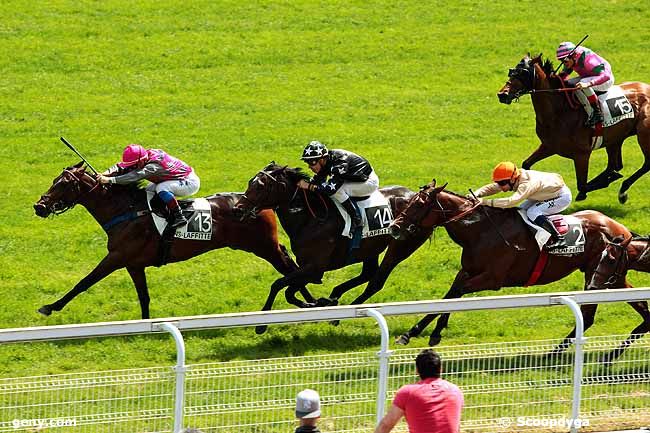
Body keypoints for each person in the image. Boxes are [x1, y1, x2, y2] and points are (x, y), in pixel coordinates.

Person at [98, 144, 200, 228]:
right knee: (148, 191)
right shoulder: (144, 156)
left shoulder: (153, 166)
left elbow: (133, 176)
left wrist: (109, 180)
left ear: (142, 160)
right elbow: (120, 165)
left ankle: (179, 216)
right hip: (173, 178)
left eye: (135, 165)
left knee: (161, 188)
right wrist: (104, 173)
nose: (133, 168)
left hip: (188, 181)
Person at [473, 161, 572, 248]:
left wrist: (484, 202)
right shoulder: (514, 178)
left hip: (561, 197)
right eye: (498, 182)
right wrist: (476, 194)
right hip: (542, 194)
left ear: (512, 179)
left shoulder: (526, 184)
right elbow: (493, 187)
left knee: (532, 212)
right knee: (519, 211)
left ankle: (559, 238)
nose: (500, 186)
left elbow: (511, 202)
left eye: (502, 183)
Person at [374, 349, 463, 433]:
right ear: (440, 369)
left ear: (417, 370)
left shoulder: (407, 393)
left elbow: (385, 425)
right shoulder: (455, 391)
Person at [297, 141, 378, 231]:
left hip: (369, 182)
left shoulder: (339, 164)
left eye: (311, 162)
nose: (309, 166)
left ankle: (356, 219)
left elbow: (330, 190)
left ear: (321, 160)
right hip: (355, 178)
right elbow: (319, 179)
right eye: (307, 162)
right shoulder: (327, 160)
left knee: (337, 191)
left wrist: (308, 186)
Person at [556, 41, 614, 127]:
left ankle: (597, 113)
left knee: (583, 83)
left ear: (574, 56)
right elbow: (565, 74)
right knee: (568, 83)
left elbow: (606, 76)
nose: (564, 63)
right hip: (589, 76)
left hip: (604, 80)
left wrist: (588, 84)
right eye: (561, 60)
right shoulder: (572, 59)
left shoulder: (589, 61)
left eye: (564, 60)